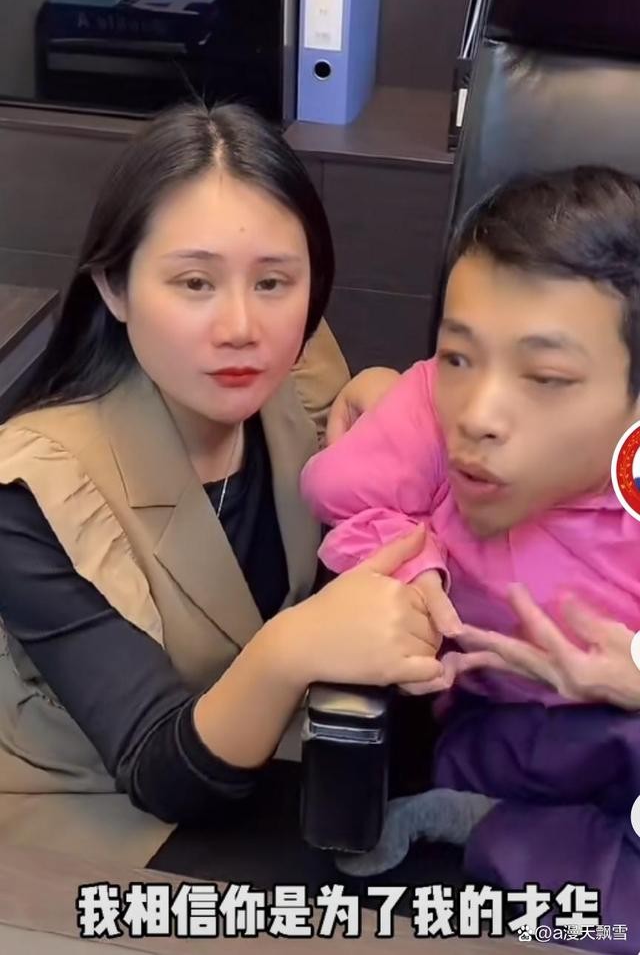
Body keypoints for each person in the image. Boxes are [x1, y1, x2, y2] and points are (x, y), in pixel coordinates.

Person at [0, 101, 443, 868]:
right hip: (83, 831)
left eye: (273, 282)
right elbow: (160, 769)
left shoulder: (295, 374)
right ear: (114, 287)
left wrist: (388, 412)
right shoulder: (32, 490)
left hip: (265, 775)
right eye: (195, 282)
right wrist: (291, 648)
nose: (241, 325)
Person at [301, 167, 640, 950]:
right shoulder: (428, 410)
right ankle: (494, 825)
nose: (479, 414)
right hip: (509, 735)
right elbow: (345, 496)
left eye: (546, 377)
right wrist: (415, 571)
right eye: (458, 357)